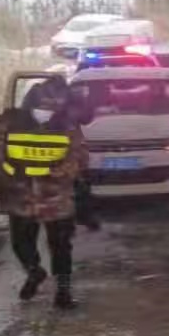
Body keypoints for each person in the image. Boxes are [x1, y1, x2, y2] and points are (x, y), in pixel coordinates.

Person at [0, 75, 87, 310]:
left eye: (52, 108)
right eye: (41, 107)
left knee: (61, 245)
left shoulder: (67, 124)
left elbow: (79, 157)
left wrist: (59, 171)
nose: (45, 112)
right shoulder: (8, 122)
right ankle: (34, 271)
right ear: (31, 103)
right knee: (21, 244)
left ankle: (63, 290)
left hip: (55, 197)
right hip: (19, 196)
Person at [66, 81, 100, 232]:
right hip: (69, 155)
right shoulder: (66, 108)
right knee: (78, 188)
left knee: (80, 188)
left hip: (73, 155)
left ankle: (81, 218)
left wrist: (92, 99)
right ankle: (80, 219)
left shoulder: (69, 106)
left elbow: (86, 118)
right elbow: (85, 117)